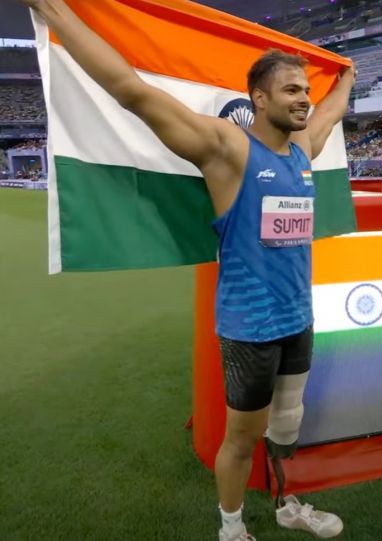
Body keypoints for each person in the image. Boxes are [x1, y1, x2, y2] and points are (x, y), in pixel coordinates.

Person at [22, 1, 355, 540]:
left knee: (288, 424)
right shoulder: (226, 149)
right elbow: (132, 91)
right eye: (292, 90)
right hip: (251, 325)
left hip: (299, 316)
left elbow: (331, 114)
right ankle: (231, 527)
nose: (304, 99)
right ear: (259, 98)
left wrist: (346, 79)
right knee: (241, 438)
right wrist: (54, 11)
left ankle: (287, 502)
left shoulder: (301, 151)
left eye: (305, 90)